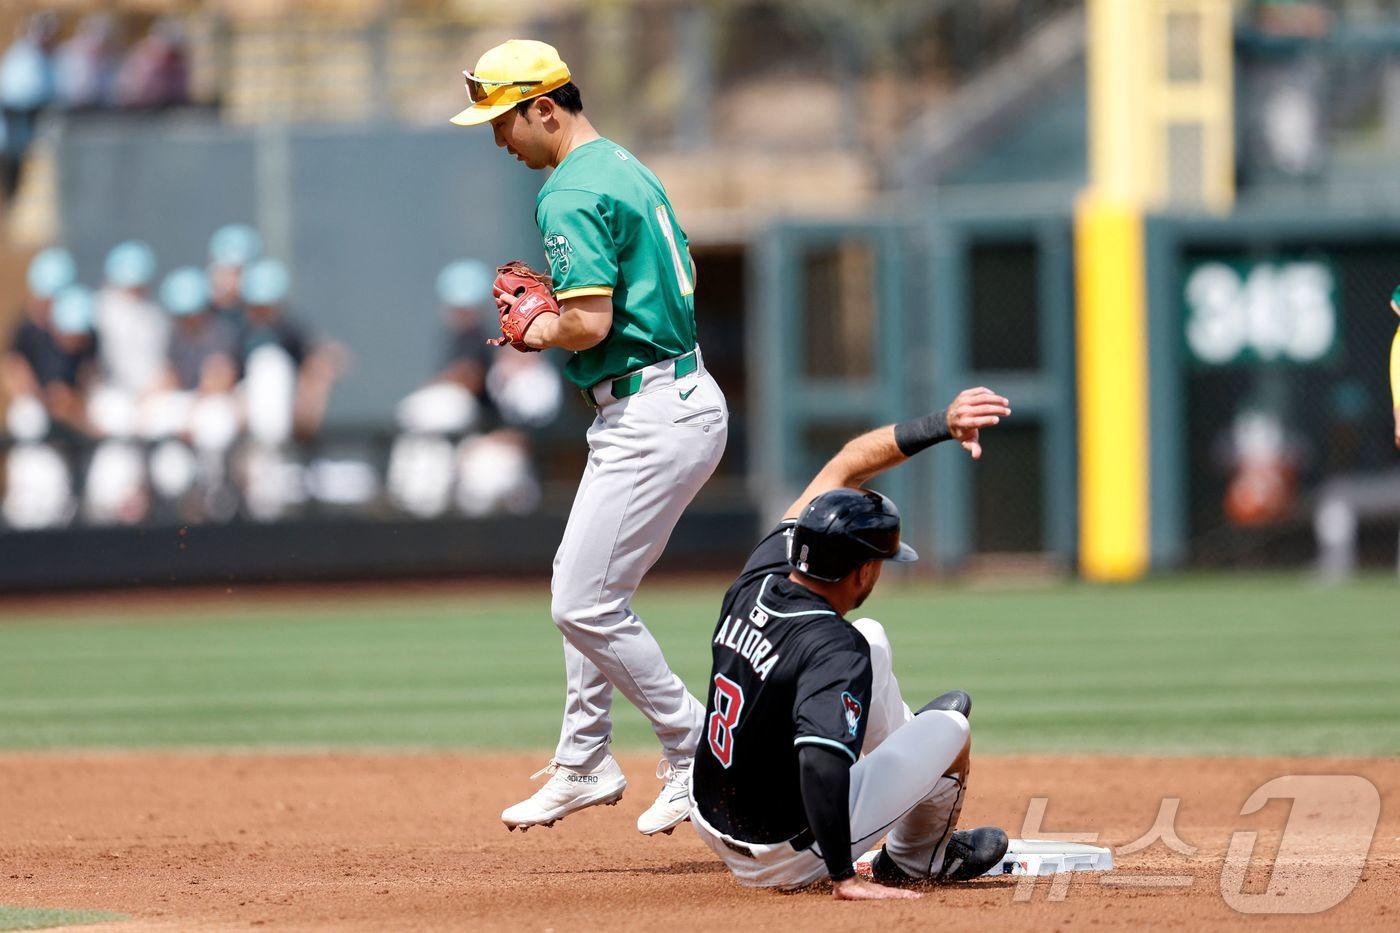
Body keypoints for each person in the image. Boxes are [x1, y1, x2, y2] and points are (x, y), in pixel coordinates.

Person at [452, 39, 727, 835]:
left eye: (504, 121)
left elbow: (589, 321)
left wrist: (538, 329)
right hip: (667, 395)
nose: (500, 140)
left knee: (581, 600)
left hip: (652, 408)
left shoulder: (568, 190)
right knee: (589, 586)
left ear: (545, 108)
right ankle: (584, 759)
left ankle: (694, 748)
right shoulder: (622, 165)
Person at [690, 387, 1015, 899]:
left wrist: (942, 423)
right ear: (863, 571)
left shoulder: (760, 576)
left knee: (874, 638)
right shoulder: (833, 648)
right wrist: (843, 877)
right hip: (783, 853)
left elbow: (845, 467)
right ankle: (916, 858)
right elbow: (820, 763)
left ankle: (904, 765)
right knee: (952, 725)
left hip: (708, 811)